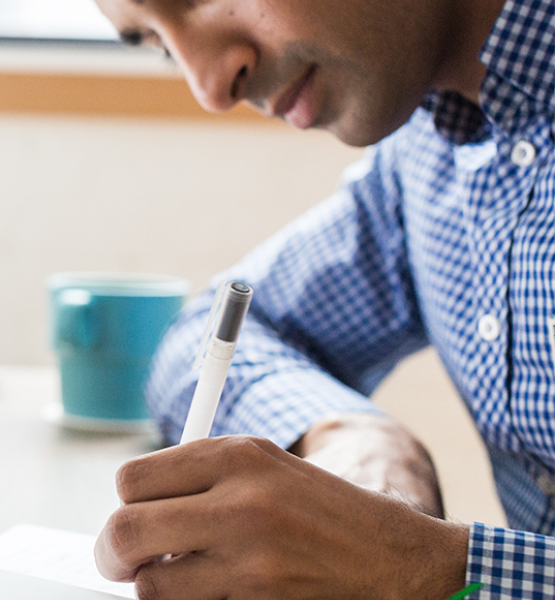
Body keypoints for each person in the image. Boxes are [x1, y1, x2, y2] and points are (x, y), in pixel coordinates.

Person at [89, 0, 555, 597]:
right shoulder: (424, 158)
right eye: (154, 41)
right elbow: (204, 335)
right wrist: (357, 438)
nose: (209, 88)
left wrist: (425, 568)